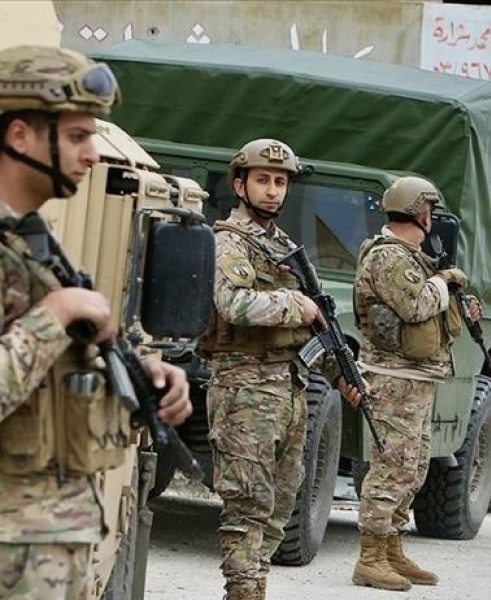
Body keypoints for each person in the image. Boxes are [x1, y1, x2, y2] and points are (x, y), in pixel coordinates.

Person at [0, 45, 192, 600]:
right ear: (20, 136)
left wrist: (142, 372)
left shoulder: (31, 244)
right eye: (78, 136)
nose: (91, 154)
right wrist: (56, 315)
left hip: (50, 543)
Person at [200, 137, 353, 599]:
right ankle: (244, 591)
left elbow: (314, 327)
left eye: (281, 182)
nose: (272, 190)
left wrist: (341, 373)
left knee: (281, 502)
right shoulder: (228, 242)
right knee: (248, 501)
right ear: (240, 185)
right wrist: (295, 304)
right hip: (243, 386)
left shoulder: (284, 247)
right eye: (263, 180)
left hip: (289, 388)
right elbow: (232, 304)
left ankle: (254, 584)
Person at [350, 176, 480, 591]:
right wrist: (444, 282)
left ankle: (391, 548)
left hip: (415, 377)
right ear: (421, 213)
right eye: (430, 211)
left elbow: (430, 309)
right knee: (391, 468)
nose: (432, 219)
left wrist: (456, 299)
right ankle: (370, 558)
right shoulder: (389, 257)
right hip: (393, 379)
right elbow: (416, 305)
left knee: (413, 466)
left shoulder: (412, 257)